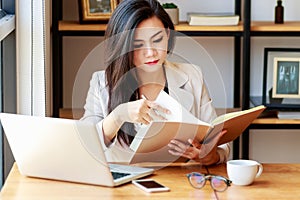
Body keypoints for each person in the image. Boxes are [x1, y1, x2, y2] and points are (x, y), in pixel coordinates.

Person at [81, 0, 230, 165]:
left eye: (157, 40)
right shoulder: (101, 83)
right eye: (138, 45)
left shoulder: (192, 75)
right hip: (123, 184)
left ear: (167, 34)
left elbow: (219, 143)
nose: (151, 53)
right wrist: (118, 116)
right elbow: (85, 146)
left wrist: (209, 156)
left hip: (180, 181)